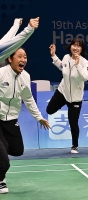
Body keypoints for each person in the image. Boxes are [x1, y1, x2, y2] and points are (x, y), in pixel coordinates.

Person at [0, 47, 51, 194]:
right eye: (19, 56)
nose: (23, 60)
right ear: (10, 59)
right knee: (4, 161)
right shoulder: (1, 73)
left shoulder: (25, 76)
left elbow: (28, 99)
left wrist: (39, 117)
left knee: (17, 150)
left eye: (25, 57)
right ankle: (0, 180)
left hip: (11, 119)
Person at [48, 38, 88, 154]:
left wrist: (77, 65)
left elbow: (85, 77)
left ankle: (74, 146)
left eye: (78, 46)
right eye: (73, 45)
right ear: (70, 46)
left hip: (76, 98)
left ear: (81, 49)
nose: (75, 48)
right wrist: (54, 55)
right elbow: (62, 67)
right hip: (63, 92)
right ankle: (64, 103)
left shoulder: (84, 62)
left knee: (73, 123)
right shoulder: (66, 57)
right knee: (49, 110)